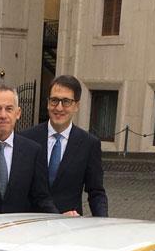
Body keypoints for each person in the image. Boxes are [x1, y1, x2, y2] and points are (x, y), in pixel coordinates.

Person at [22, 75, 108, 217]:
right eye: (54, 100)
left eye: (66, 101)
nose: (59, 107)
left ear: (76, 106)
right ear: (48, 103)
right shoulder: (27, 138)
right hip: (31, 223)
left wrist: (103, 223)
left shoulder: (89, 144)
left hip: (69, 225)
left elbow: (96, 192)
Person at [0, 84, 58, 214]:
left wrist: (60, 219)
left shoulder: (32, 151)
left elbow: (41, 198)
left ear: (18, 113)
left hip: (20, 226)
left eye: (9, 109)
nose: (3, 115)